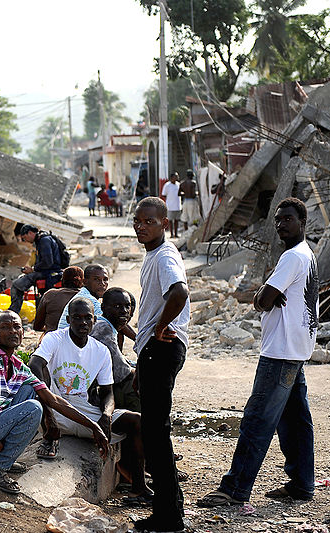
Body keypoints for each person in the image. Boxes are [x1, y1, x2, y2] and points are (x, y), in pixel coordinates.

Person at [197, 198, 319, 508]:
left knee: (257, 419)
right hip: (295, 350)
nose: (281, 224)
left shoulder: (293, 257)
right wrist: (268, 294)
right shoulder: (306, 255)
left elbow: (263, 299)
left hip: (280, 352)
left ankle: (235, 489)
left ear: (303, 223)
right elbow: (270, 297)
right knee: (295, 420)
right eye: (278, 219)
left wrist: (264, 294)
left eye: (287, 219)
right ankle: (302, 484)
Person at [0, 310, 109, 494]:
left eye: (17, 327)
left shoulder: (17, 365)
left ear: (23, 333)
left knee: (30, 391)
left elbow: (53, 399)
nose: (12, 332)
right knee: (34, 408)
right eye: (5, 327)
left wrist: (93, 426)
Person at [29, 298, 149, 500]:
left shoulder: (100, 350)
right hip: (54, 408)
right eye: (77, 318)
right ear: (68, 319)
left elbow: (107, 392)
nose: (82, 323)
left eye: (87, 318)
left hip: (82, 411)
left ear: (94, 321)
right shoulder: (55, 339)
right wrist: (48, 415)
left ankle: (139, 487)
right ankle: (49, 437)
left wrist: (106, 415)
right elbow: (34, 365)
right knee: (37, 389)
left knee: (136, 420)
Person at [131, 196, 191, 533]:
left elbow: (179, 293)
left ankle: (169, 516)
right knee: (154, 433)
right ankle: (169, 512)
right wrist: (141, 365)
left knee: (156, 434)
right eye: (137, 221)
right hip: (153, 352)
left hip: (162, 348)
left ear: (164, 224)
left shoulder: (166, 255)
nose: (141, 226)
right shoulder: (154, 255)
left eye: (149, 221)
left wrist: (160, 326)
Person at [91, 287, 139, 412]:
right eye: (117, 306)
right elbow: (120, 372)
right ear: (103, 308)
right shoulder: (103, 329)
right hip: (95, 391)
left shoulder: (105, 325)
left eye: (127, 306)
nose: (124, 311)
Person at [9, 225, 63, 315]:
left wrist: (33, 269)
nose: (25, 241)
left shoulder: (44, 241)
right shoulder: (42, 239)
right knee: (21, 278)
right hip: (50, 271)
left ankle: (13, 312)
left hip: (50, 272)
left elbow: (47, 262)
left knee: (16, 285)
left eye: (25, 238)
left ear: (30, 233)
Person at [33, 266, 84, 332]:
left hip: (52, 339)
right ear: (83, 281)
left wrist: (50, 329)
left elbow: (37, 326)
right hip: (78, 340)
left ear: (62, 280)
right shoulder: (87, 297)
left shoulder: (50, 294)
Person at [57, 264, 108, 329]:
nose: (102, 284)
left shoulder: (84, 294)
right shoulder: (88, 300)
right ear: (85, 282)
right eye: (96, 279)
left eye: (105, 279)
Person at [161, 172, 182, 239]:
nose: (177, 178)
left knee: (176, 220)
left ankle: (176, 234)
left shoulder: (179, 185)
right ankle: (171, 234)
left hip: (177, 205)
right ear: (172, 177)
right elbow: (163, 194)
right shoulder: (167, 185)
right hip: (170, 206)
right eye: (175, 176)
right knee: (170, 221)